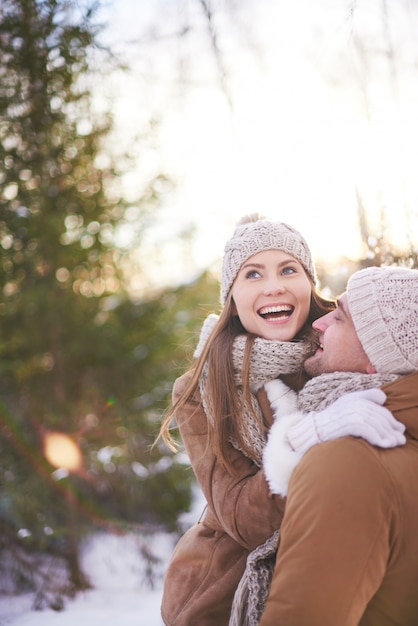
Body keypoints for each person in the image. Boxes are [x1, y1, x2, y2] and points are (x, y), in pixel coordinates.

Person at [158, 216, 404, 626]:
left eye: (289, 269)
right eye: (253, 274)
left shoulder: (343, 346)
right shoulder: (202, 386)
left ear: (309, 283)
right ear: (231, 297)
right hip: (222, 591)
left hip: (341, 574)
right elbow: (241, 519)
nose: (274, 286)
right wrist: (311, 436)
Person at [256, 265, 418, 626]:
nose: (320, 323)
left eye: (341, 318)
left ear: (375, 360)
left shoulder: (349, 463)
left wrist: (306, 439)